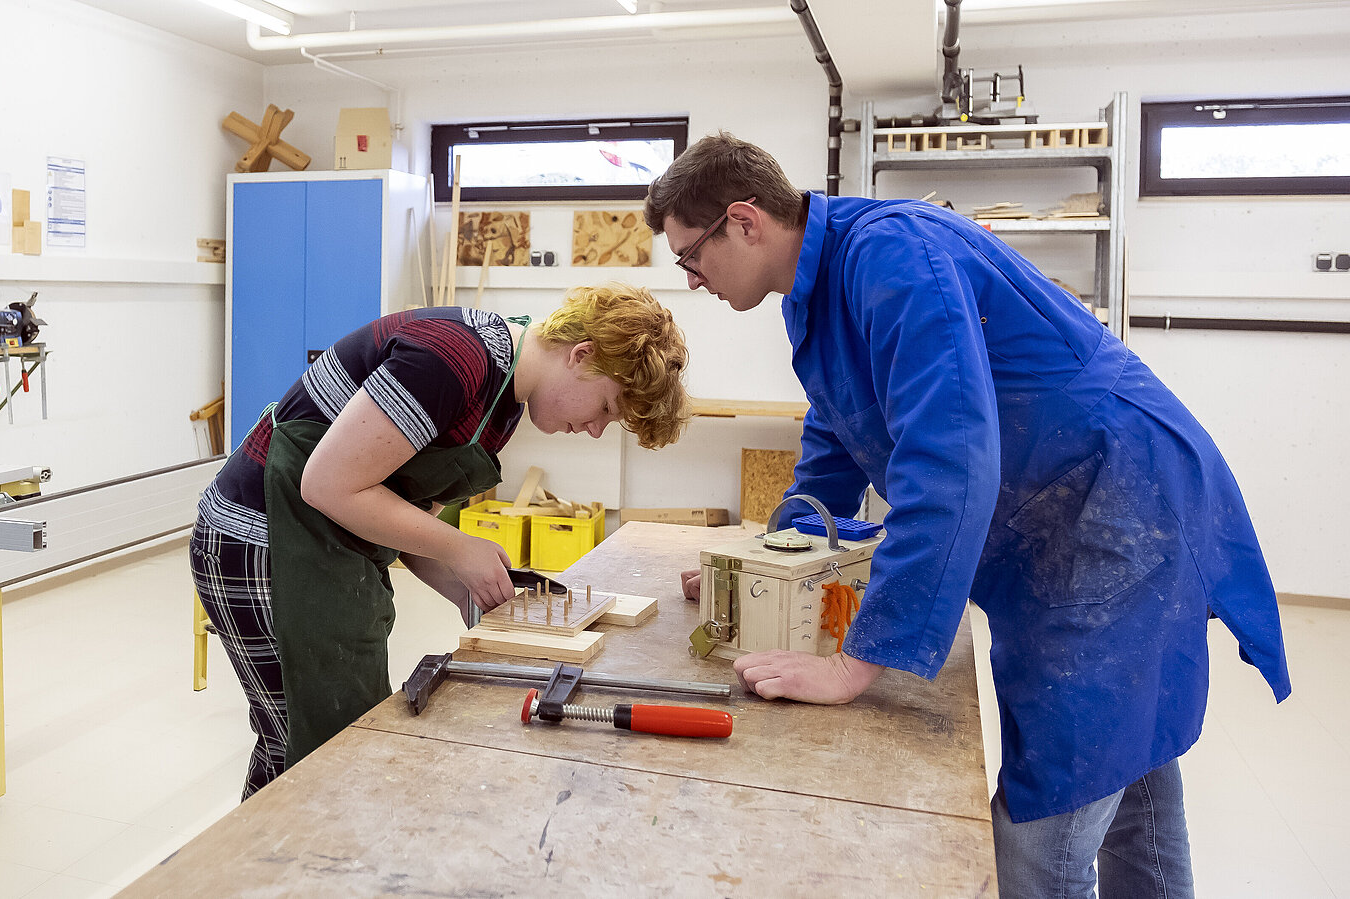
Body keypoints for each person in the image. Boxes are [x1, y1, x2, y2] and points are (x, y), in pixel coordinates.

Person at [644, 132, 1289, 897]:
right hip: (1073, 513)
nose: (692, 279)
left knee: (1040, 833)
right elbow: (835, 442)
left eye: (691, 256)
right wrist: (760, 566)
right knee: (1130, 764)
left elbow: (948, 462)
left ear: (744, 222)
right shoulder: (814, 297)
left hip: (1116, 510)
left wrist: (858, 663)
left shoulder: (893, 255)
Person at [191, 284, 689, 798]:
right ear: (581, 356)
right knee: (302, 743)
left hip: (325, 548)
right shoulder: (453, 357)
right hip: (257, 539)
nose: (596, 430)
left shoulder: (503, 405)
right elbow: (328, 484)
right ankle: (258, 871)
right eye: (605, 408)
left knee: (331, 744)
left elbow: (399, 519)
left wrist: (463, 587)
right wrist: (460, 548)